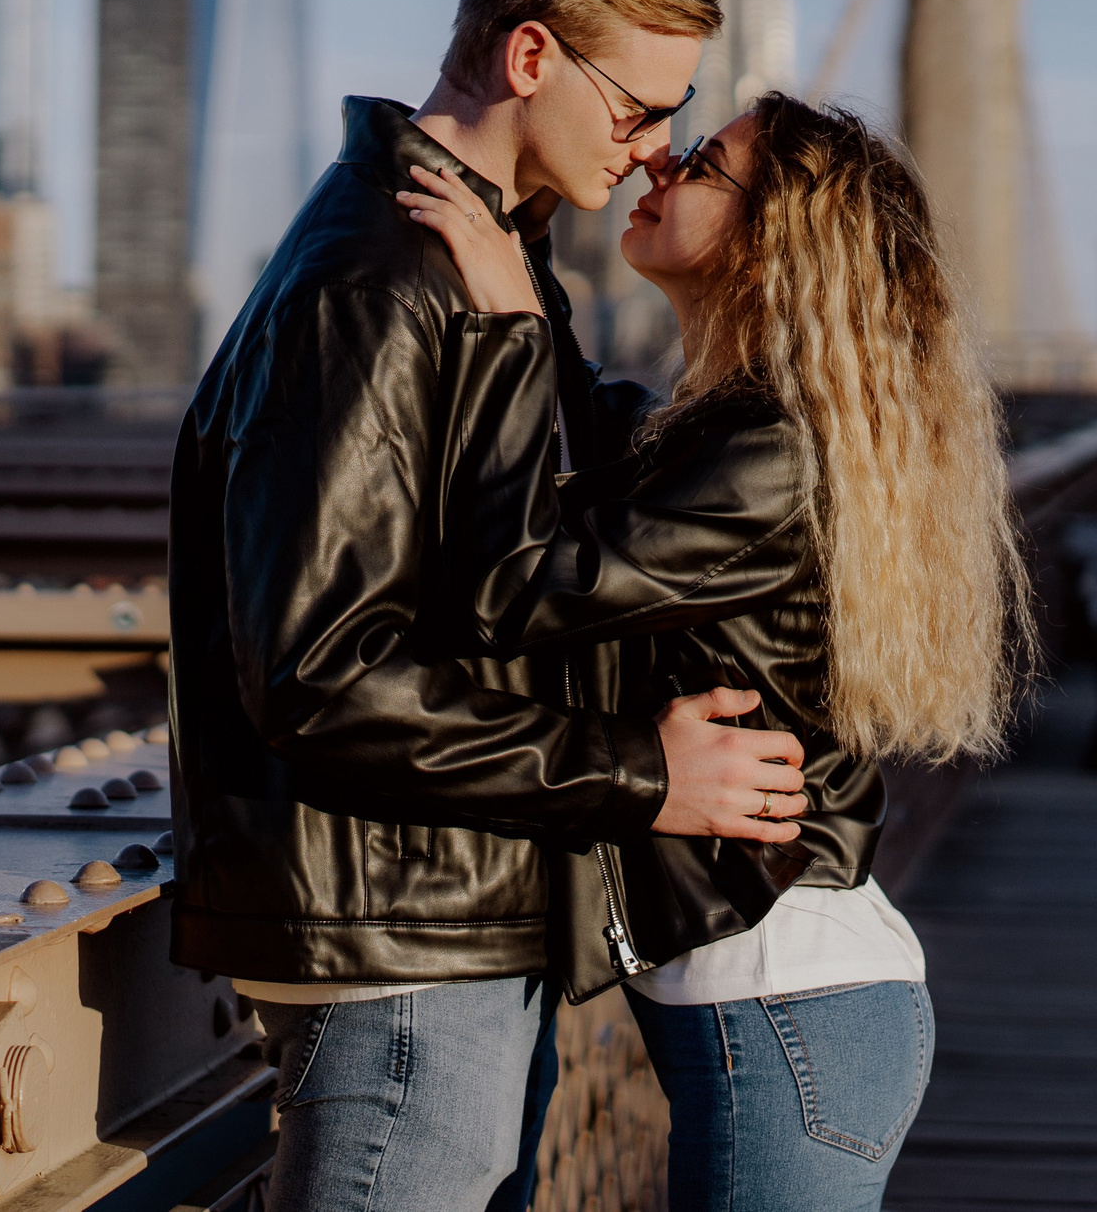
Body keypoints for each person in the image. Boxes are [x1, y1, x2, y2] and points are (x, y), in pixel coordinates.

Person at [168, 0, 817, 1212]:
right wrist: (646, 770)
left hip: (450, 915)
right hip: (404, 946)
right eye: (639, 109)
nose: (651, 150)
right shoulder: (377, 288)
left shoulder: (484, 263)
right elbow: (321, 671)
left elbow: (543, 522)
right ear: (532, 54)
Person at [398, 92, 1036, 1212]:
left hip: (791, 1013)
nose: (656, 164)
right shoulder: (729, 430)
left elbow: (521, 585)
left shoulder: (767, 456)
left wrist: (503, 329)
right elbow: (587, 430)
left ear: (772, 237)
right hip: (795, 1009)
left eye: (700, 161)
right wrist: (524, 247)